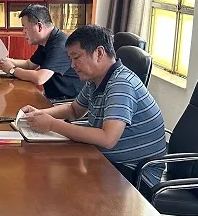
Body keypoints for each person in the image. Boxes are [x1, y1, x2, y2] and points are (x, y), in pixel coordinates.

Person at [21, 25, 166, 184]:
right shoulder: (96, 79)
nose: (72, 65)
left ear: (99, 53)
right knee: (52, 169)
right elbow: (74, 110)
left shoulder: (121, 84)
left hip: (135, 175)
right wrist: (40, 113)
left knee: (56, 180)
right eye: (70, 59)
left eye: (76, 57)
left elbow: (107, 139)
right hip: (107, 161)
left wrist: (52, 124)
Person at [0, 4, 82, 101]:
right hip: (54, 97)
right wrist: (6, 60)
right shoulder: (47, 41)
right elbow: (29, 64)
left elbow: (40, 78)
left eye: (25, 27)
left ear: (39, 26)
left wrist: (12, 70)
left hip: (68, 102)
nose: (23, 32)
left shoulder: (59, 45)